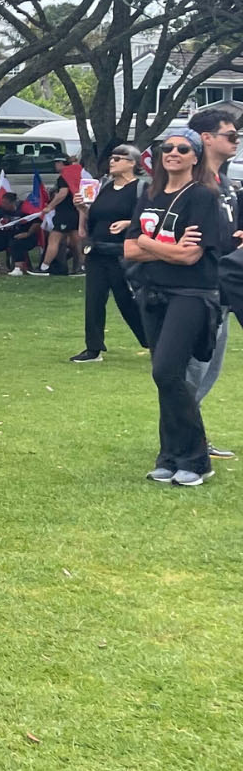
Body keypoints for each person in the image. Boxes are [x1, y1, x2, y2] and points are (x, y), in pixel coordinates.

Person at [125, 128, 225, 488]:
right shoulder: (149, 193)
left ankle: (196, 459)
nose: (174, 153)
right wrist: (154, 245)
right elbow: (129, 249)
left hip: (191, 293)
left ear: (195, 156)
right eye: (167, 148)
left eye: (183, 149)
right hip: (153, 293)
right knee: (167, 378)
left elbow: (189, 256)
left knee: (167, 371)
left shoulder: (202, 196)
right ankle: (169, 457)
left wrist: (148, 242)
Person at [182, 106, 240, 454]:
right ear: (207, 138)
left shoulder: (226, 182)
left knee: (210, 369)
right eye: (230, 135)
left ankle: (194, 433)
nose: (236, 141)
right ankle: (183, 437)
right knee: (193, 367)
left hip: (227, 287)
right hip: (201, 288)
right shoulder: (193, 184)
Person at [72, 143, 150, 362]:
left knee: (127, 301)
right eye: (112, 158)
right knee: (94, 300)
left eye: (118, 158)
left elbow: (150, 219)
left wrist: (127, 223)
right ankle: (93, 348)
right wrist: (82, 209)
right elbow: (95, 217)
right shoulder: (103, 185)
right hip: (97, 250)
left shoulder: (141, 189)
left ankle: (152, 340)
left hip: (123, 252)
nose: (112, 161)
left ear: (132, 163)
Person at [32, 159, 83, 276]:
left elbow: (63, 193)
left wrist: (50, 207)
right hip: (75, 212)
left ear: (61, 163)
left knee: (53, 240)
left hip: (64, 214)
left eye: (56, 163)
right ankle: (83, 266)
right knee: (77, 242)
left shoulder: (63, 177)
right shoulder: (77, 175)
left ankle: (44, 267)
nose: (55, 166)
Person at [0, 193, 36, 275]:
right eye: (2, 203)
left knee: (16, 243)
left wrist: (28, 233)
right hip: (6, 234)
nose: (3, 205)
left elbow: (37, 222)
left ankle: (18, 268)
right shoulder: (0, 209)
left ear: (13, 203)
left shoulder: (26, 208)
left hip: (25, 235)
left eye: (5, 203)